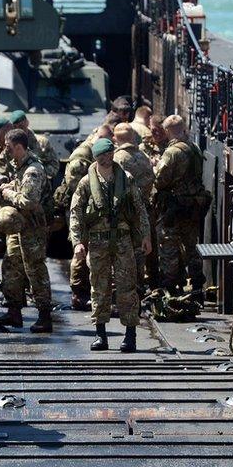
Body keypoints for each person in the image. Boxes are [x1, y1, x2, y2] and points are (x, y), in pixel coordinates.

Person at [71, 138, 151, 351]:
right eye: (102, 155)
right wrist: (78, 242)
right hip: (97, 242)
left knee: (127, 287)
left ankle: (130, 335)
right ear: (95, 157)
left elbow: (139, 208)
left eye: (109, 154)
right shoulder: (86, 183)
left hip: (123, 239)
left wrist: (146, 235)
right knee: (99, 288)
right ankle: (100, 334)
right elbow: (76, 213)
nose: (106, 158)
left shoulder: (126, 179)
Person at [0, 129, 53, 333]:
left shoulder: (33, 170)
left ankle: (44, 316)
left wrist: (8, 193)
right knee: (11, 265)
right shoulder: (20, 167)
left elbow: (28, 201)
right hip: (19, 225)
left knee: (35, 270)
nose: (5, 151)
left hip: (33, 227)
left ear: (18, 147)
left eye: (8, 147)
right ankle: (13, 312)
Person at [153, 114, 209, 292]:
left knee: (169, 246)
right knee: (191, 247)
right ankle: (197, 285)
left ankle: (170, 287)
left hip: (174, 208)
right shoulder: (194, 148)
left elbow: (160, 181)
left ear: (168, 131)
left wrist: (155, 166)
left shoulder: (172, 153)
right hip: (192, 206)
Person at [113, 123, 156, 294]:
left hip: (125, 215)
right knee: (140, 253)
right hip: (143, 211)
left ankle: (122, 294)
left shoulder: (117, 159)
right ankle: (138, 289)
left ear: (115, 139)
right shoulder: (143, 156)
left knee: (121, 254)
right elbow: (152, 178)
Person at [8, 110, 59, 181]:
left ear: (27, 123)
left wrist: (39, 172)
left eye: (21, 127)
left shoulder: (42, 143)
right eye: (15, 128)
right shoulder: (10, 145)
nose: (19, 130)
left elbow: (54, 166)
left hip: (39, 185)